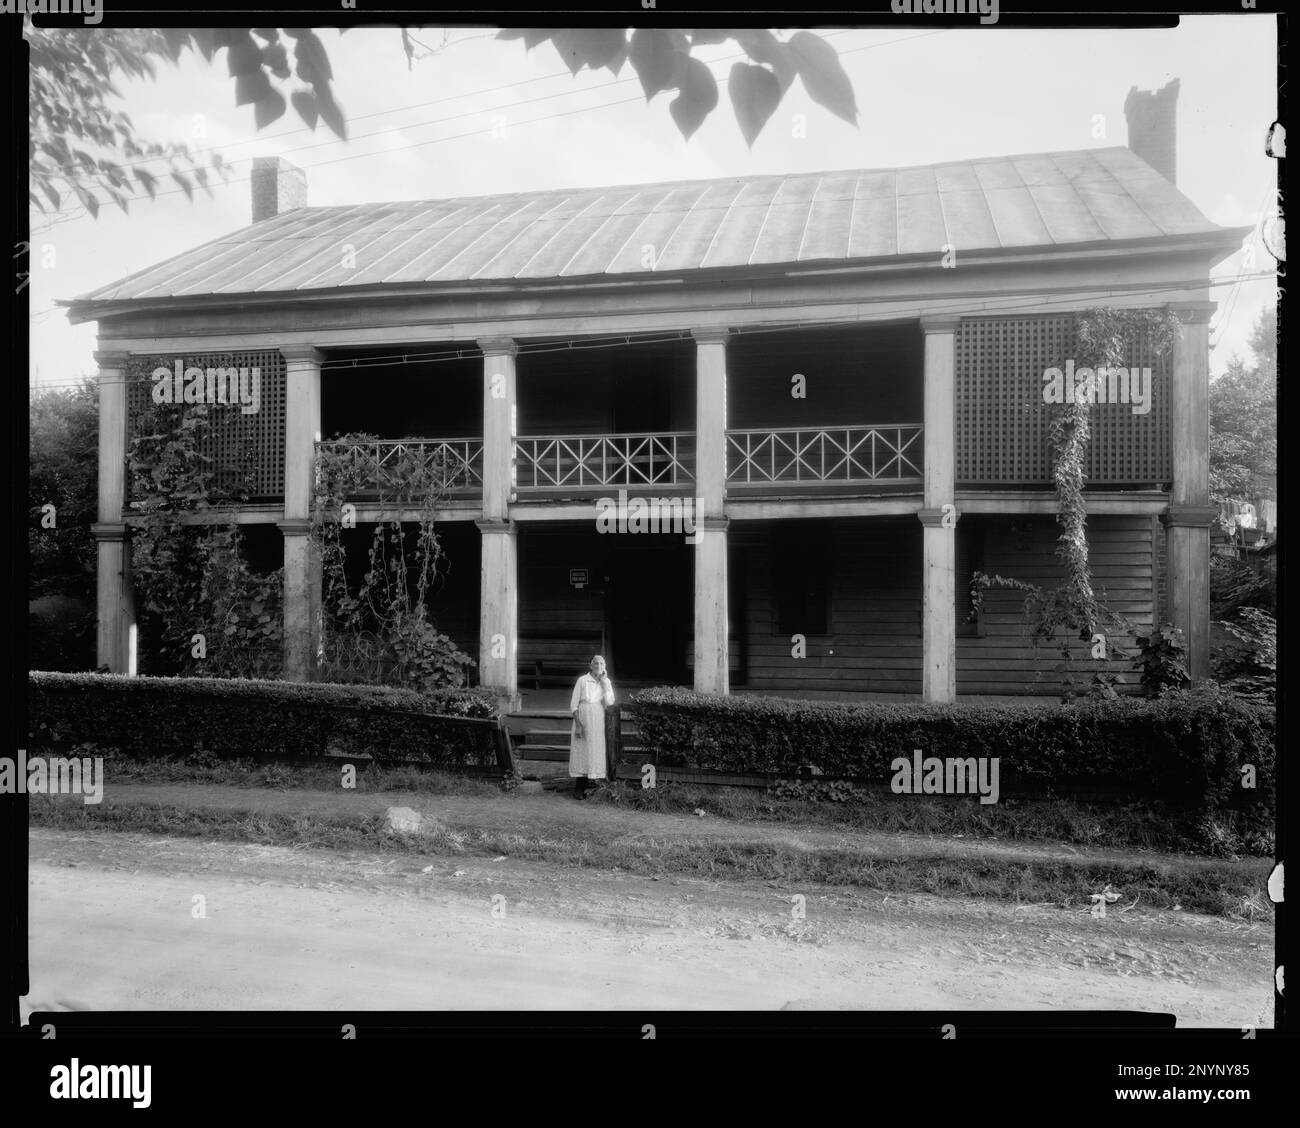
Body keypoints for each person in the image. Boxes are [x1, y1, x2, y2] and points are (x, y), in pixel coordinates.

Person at [569, 655, 615, 799]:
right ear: (590, 665)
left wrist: (604, 684)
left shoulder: (606, 681)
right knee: (582, 749)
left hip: (598, 718)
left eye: (601, 663)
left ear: (604, 666)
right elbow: (573, 704)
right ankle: (580, 786)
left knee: (596, 749)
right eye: (595, 663)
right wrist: (578, 724)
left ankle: (596, 785)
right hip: (583, 716)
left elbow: (610, 702)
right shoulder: (582, 680)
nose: (598, 666)